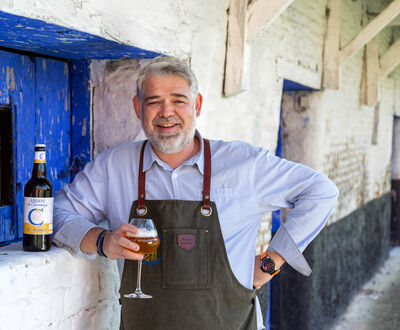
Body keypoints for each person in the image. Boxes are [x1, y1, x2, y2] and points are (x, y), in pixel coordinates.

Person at [53, 56, 338, 330]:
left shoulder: (244, 164)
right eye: (154, 102)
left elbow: (320, 192)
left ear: (197, 105)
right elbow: (57, 213)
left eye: (178, 101)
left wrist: (270, 263)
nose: (167, 113)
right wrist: (102, 241)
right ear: (138, 107)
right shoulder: (113, 166)